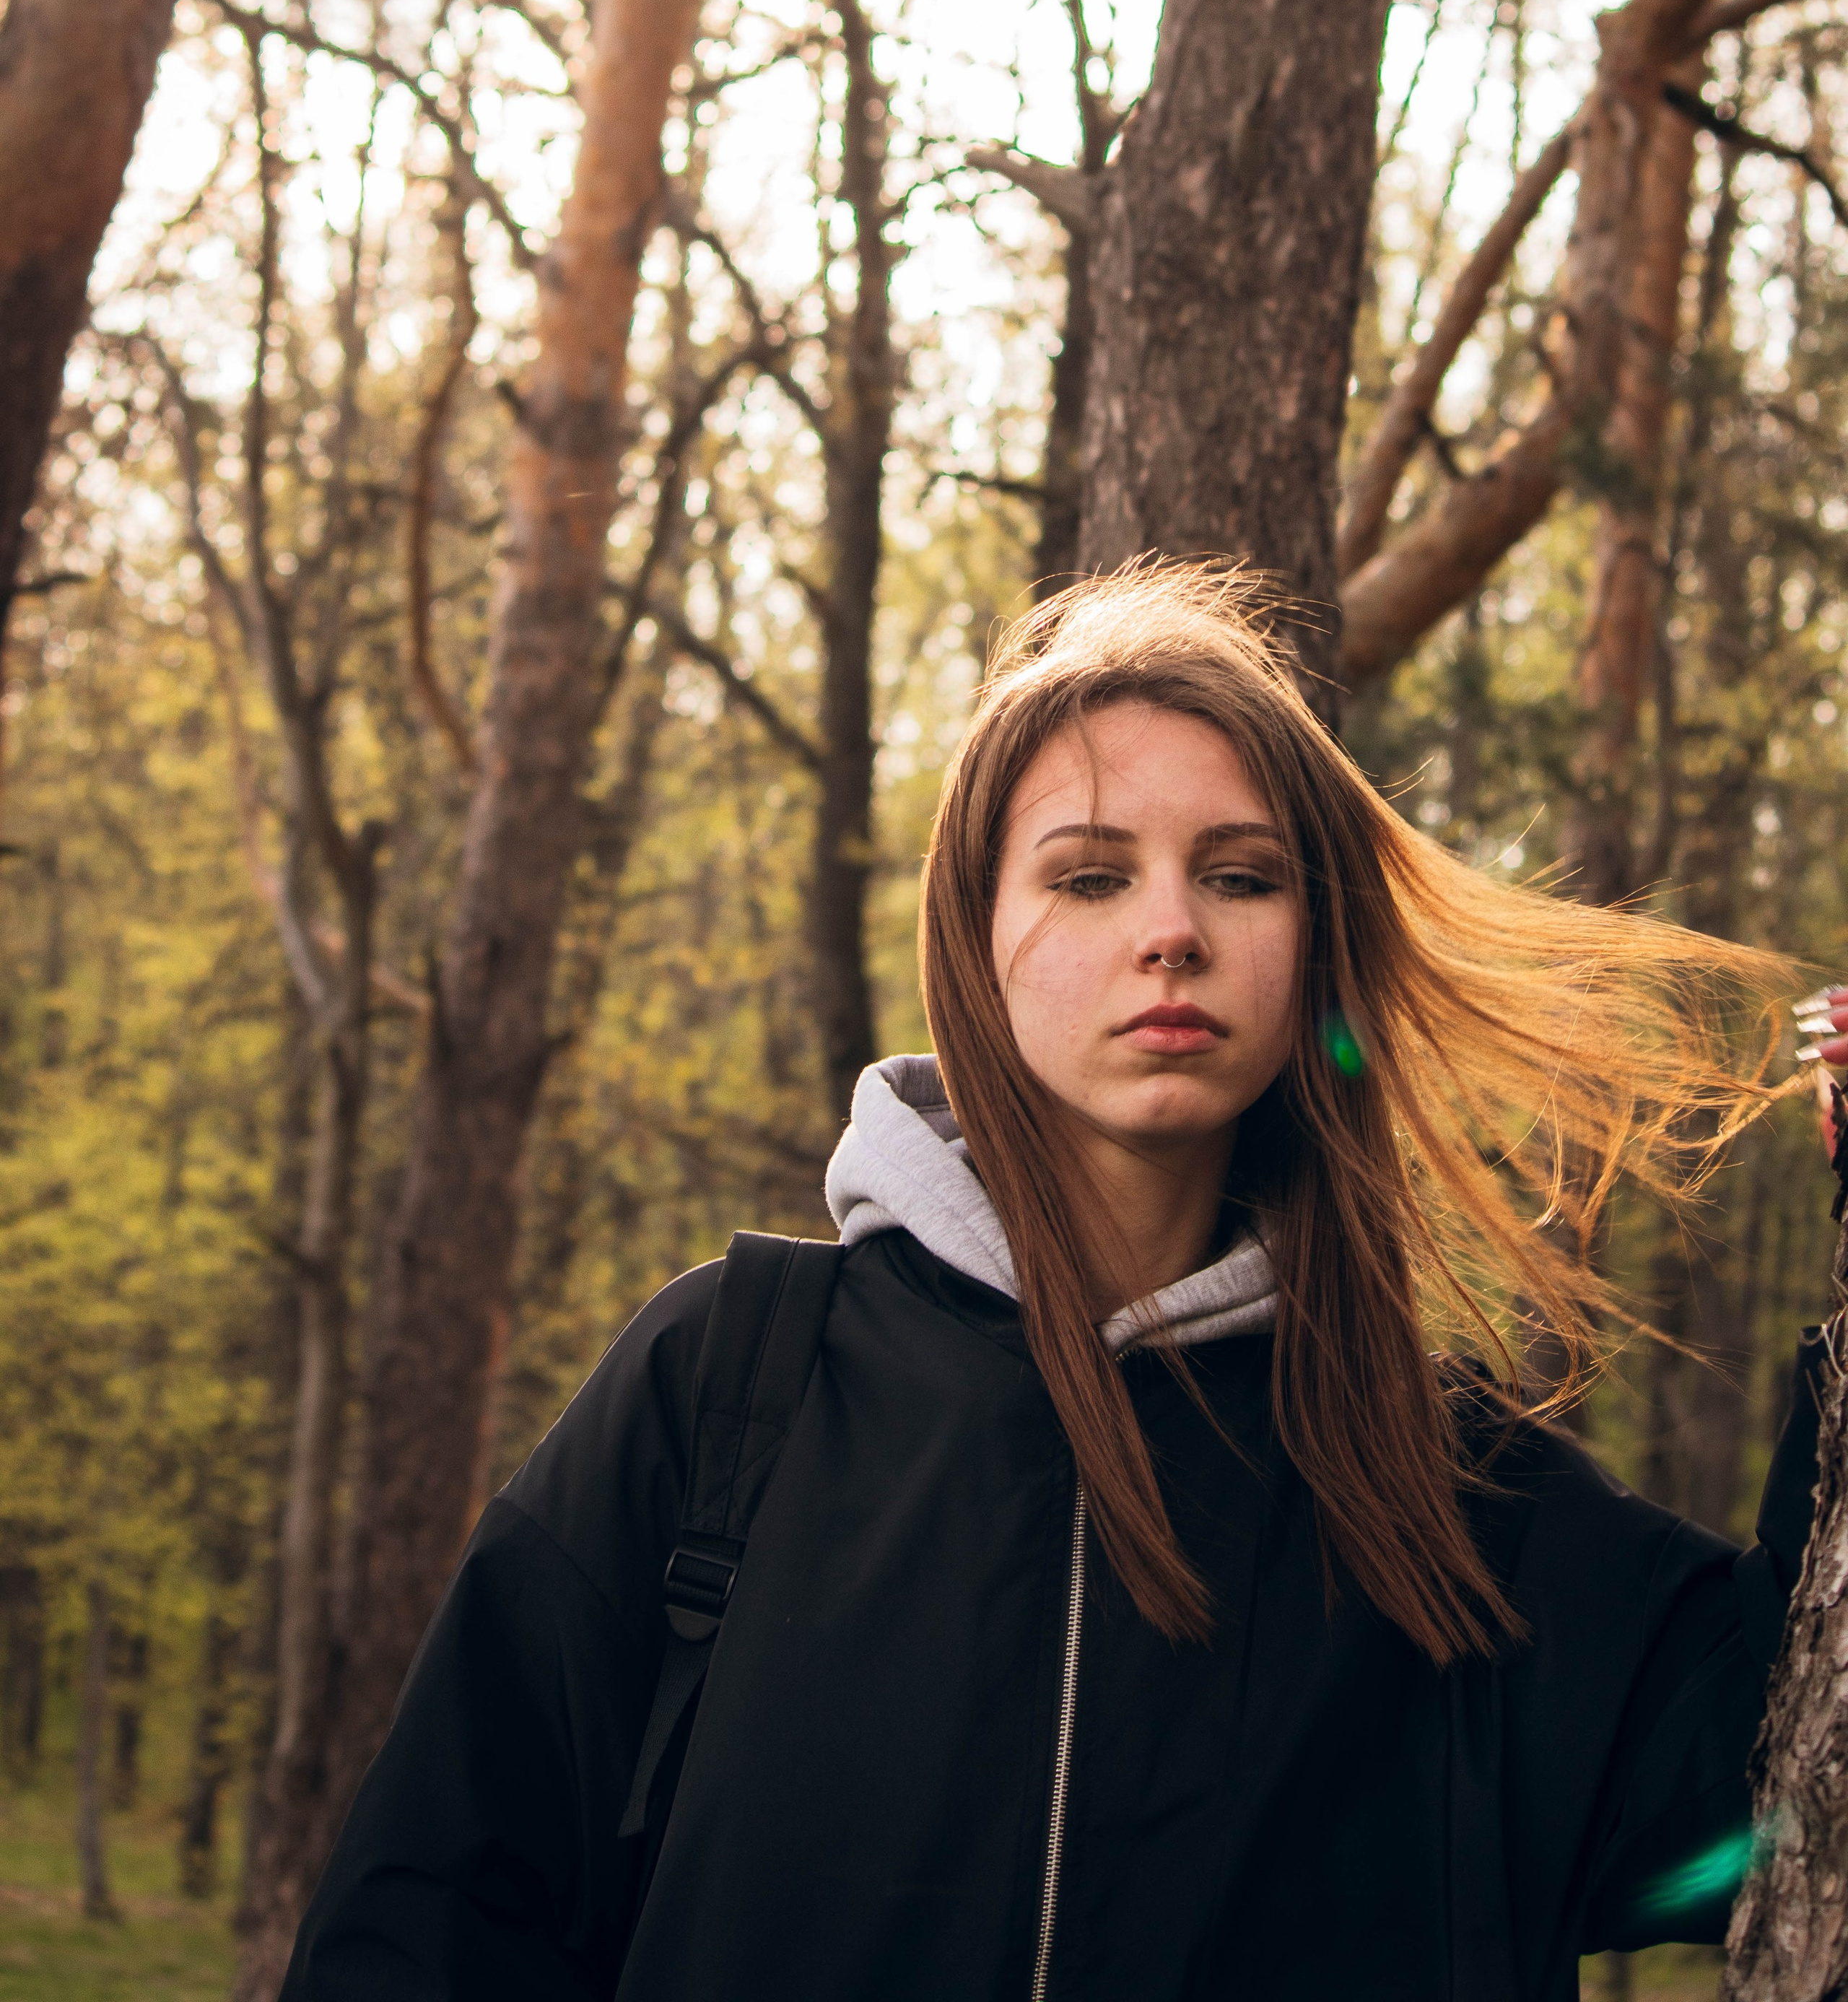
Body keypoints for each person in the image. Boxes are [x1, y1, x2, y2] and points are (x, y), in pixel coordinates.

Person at [282, 563, 1837, 2002]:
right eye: (1090, 878)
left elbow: (1783, 1778)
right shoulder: (728, 1391)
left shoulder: (1441, 1485)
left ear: (1313, 948)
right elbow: (425, 1923)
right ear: (981, 942)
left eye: (1241, 878)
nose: (1170, 932)